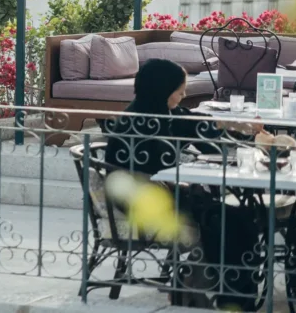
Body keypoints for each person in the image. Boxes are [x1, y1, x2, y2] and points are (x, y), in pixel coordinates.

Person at [104, 59, 263, 311]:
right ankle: (223, 293)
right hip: (142, 203)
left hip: (165, 194)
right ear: (163, 90)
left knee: (237, 218)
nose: (184, 95)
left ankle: (220, 290)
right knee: (227, 220)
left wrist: (236, 127)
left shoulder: (156, 112)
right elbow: (150, 170)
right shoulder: (140, 122)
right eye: (180, 91)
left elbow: (193, 122)